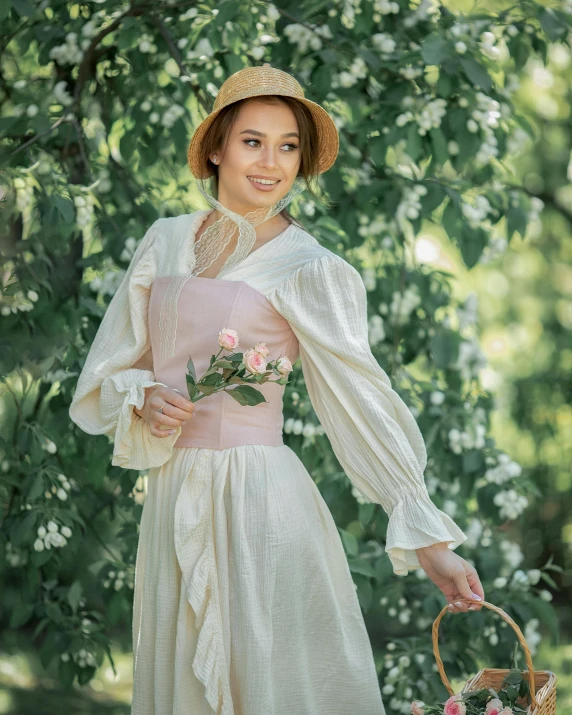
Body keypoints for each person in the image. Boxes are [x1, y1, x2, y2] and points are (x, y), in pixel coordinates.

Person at [69, 65, 485, 715]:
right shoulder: (166, 240)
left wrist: (431, 543)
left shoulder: (311, 268)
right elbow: (114, 369)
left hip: (260, 503)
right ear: (216, 148)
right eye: (253, 141)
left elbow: (359, 402)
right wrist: (143, 395)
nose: (272, 163)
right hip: (174, 493)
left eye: (288, 145)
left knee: (270, 684)